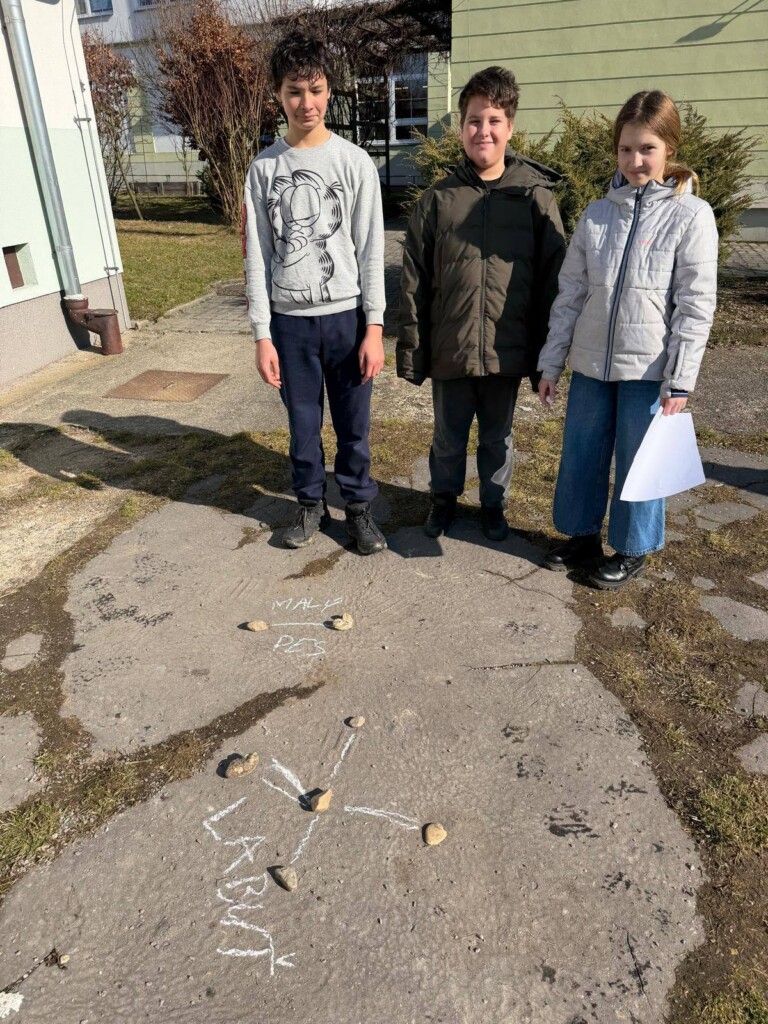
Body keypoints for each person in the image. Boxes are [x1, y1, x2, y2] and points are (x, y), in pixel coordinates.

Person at [537, 90, 718, 589]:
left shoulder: (691, 215)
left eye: (647, 149)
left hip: (649, 370)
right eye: (625, 149)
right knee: (581, 454)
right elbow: (571, 294)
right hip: (591, 364)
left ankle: (633, 547)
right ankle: (581, 536)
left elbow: (695, 304)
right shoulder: (597, 214)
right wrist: (552, 362)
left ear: (669, 149)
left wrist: (680, 380)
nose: (635, 160)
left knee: (640, 462)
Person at [397, 66, 566, 542]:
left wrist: (548, 355)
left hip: (505, 347)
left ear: (510, 127)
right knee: (448, 436)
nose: (483, 131)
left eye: (493, 121)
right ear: (461, 127)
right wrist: (413, 350)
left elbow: (555, 283)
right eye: (474, 120)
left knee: (497, 436)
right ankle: (443, 499)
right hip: (451, 346)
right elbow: (414, 280)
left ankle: (494, 503)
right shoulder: (439, 200)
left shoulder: (534, 199)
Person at [243, 31, 387, 555]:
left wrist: (374, 327)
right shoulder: (264, 168)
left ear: (330, 91)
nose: (307, 103)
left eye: (317, 90)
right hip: (290, 327)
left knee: (353, 427)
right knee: (303, 424)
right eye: (294, 91)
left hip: (347, 321)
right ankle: (309, 504)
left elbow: (371, 250)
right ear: (278, 96)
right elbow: (257, 256)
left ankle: (359, 508)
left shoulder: (354, 163)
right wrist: (262, 335)